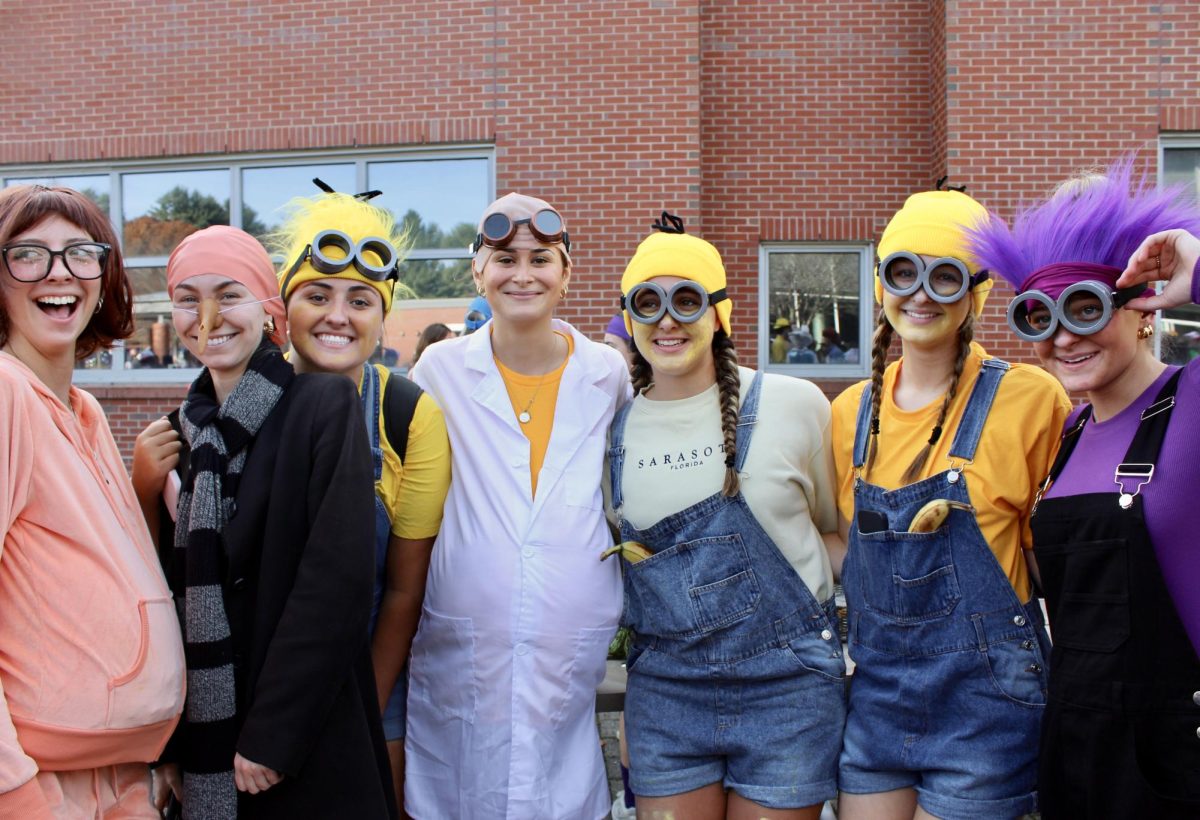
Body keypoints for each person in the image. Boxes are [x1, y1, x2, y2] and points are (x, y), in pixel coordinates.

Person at [133, 225, 394, 818]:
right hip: (206, 739)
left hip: (300, 737)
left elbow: (335, 584)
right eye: (186, 298)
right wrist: (173, 742)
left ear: (269, 308)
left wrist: (274, 734)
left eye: (229, 295)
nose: (208, 316)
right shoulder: (178, 434)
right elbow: (164, 595)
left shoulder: (321, 406)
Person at [829, 189, 1072, 820]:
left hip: (987, 705)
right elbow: (838, 545)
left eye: (946, 275)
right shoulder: (849, 414)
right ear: (882, 282)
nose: (922, 294)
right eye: (903, 271)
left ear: (976, 292)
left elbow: (1061, 551)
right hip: (878, 697)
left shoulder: (1031, 399)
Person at [970, 158, 1200, 818]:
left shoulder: (1191, 401)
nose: (1063, 337)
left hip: (1178, 766)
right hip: (1076, 753)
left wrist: (1196, 270)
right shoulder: (1066, 434)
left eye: (1086, 307)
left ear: (1141, 310)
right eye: (1040, 316)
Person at [607, 213, 845, 819]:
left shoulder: (795, 405)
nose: (666, 319)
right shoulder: (610, 428)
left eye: (687, 300)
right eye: (647, 302)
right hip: (665, 697)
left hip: (789, 692)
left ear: (718, 314)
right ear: (629, 316)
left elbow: (836, 536)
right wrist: (636, 707)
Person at [405, 193, 631, 819]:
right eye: (505, 258)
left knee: (560, 793)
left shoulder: (607, 376)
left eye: (541, 258)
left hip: (568, 658)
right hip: (460, 652)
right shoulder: (439, 370)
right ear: (478, 272)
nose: (523, 274)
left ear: (567, 273)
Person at [0, 184, 186, 818]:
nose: (59, 273)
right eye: (28, 255)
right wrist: (15, 791)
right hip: (45, 784)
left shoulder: (85, 412)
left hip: (118, 776)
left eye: (81, 253)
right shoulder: (5, 394)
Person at [269, 188, 451, 808]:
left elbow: (404, 588)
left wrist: (356, 719)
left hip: (367, 682)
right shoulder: (243, 406)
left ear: (384, 315)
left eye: (361, 300)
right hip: (251, 687)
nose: (336, 316)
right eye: (317, 295)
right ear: (284, 308)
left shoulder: (406, 413)